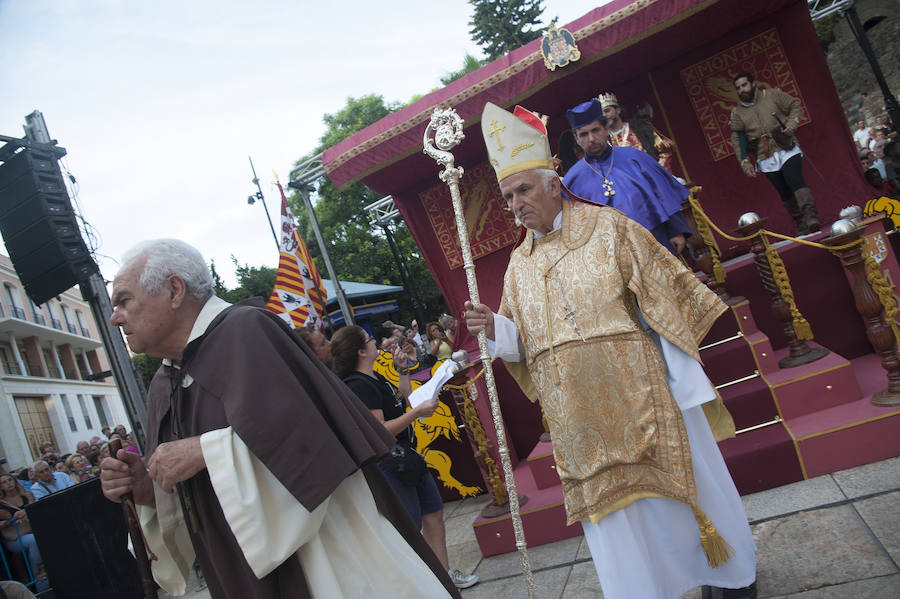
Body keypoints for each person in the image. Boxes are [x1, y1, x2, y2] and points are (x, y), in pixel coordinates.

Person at [465, 102, 756, 599]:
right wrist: (495, 327)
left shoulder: (611, 230)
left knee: (694, 486)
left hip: (649, 397)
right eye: (508, 195)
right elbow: (523, 344)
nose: (515, 203)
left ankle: (728, 578)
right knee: (618, 521)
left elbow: (663, 302)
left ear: (554, 184)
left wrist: (685, 382)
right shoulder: (518, 266)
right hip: (579, 421)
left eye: (523, 190)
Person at [99, 239, 459, 599]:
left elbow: (315, 441)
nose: (115, 317)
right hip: (235, 570)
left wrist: (206, 452)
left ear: (174, 290)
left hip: (322, 558)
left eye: (124, 300)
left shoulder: (247, 331)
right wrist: (148, 489)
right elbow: (192, 500)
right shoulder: (164, 384)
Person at [331, 326, 478, 590]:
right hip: (391, 465)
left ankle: (444, 578)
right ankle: (422, 585)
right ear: (361, 351)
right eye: (369, 340)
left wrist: (403, 372)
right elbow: (380, 431)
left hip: (407, 458)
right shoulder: (357, 385)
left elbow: (404, 398)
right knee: (409, 528)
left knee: (433, 514)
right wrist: (417, 412)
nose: (375, 341)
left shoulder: (373, 377)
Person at [563, 98, 691, 255]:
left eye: (595, 130)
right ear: (577, 139)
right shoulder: (572, 180)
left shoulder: (635, 158)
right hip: (611, 256)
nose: (591, 138)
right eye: (583, 134)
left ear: (605, 129)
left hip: (655, 241)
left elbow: (664, 193)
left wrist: (676, 230)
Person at [730, 71, 820, 235]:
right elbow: (737, 140)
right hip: (764, 155)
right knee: (783, 191)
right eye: (738, 88)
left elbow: (794, 105)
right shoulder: (737, 113)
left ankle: (811, 217)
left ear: (753, 84)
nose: (742, 89)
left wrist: (792, 124)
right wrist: (745, 162)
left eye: (744, 85)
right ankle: (801, 222)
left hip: (785, 146)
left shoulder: (771, 95)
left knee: (795, 180)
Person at [597, 91, 677, 173]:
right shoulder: (604, 141)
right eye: (601, 114)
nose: (604, 115)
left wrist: (658, 173)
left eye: (607, 111)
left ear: (618, 110)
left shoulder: (641, 127)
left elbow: (664, 151)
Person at [0, 473, 49, 592]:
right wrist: (8, 522)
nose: (8, 483)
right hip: (15, 538)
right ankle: (39, 574)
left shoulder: (27, 495)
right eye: (4, 482)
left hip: (32, 530)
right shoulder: (2, 504)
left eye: (10, 480)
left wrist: (25, 512)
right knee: (32, 540)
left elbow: (33, 508)